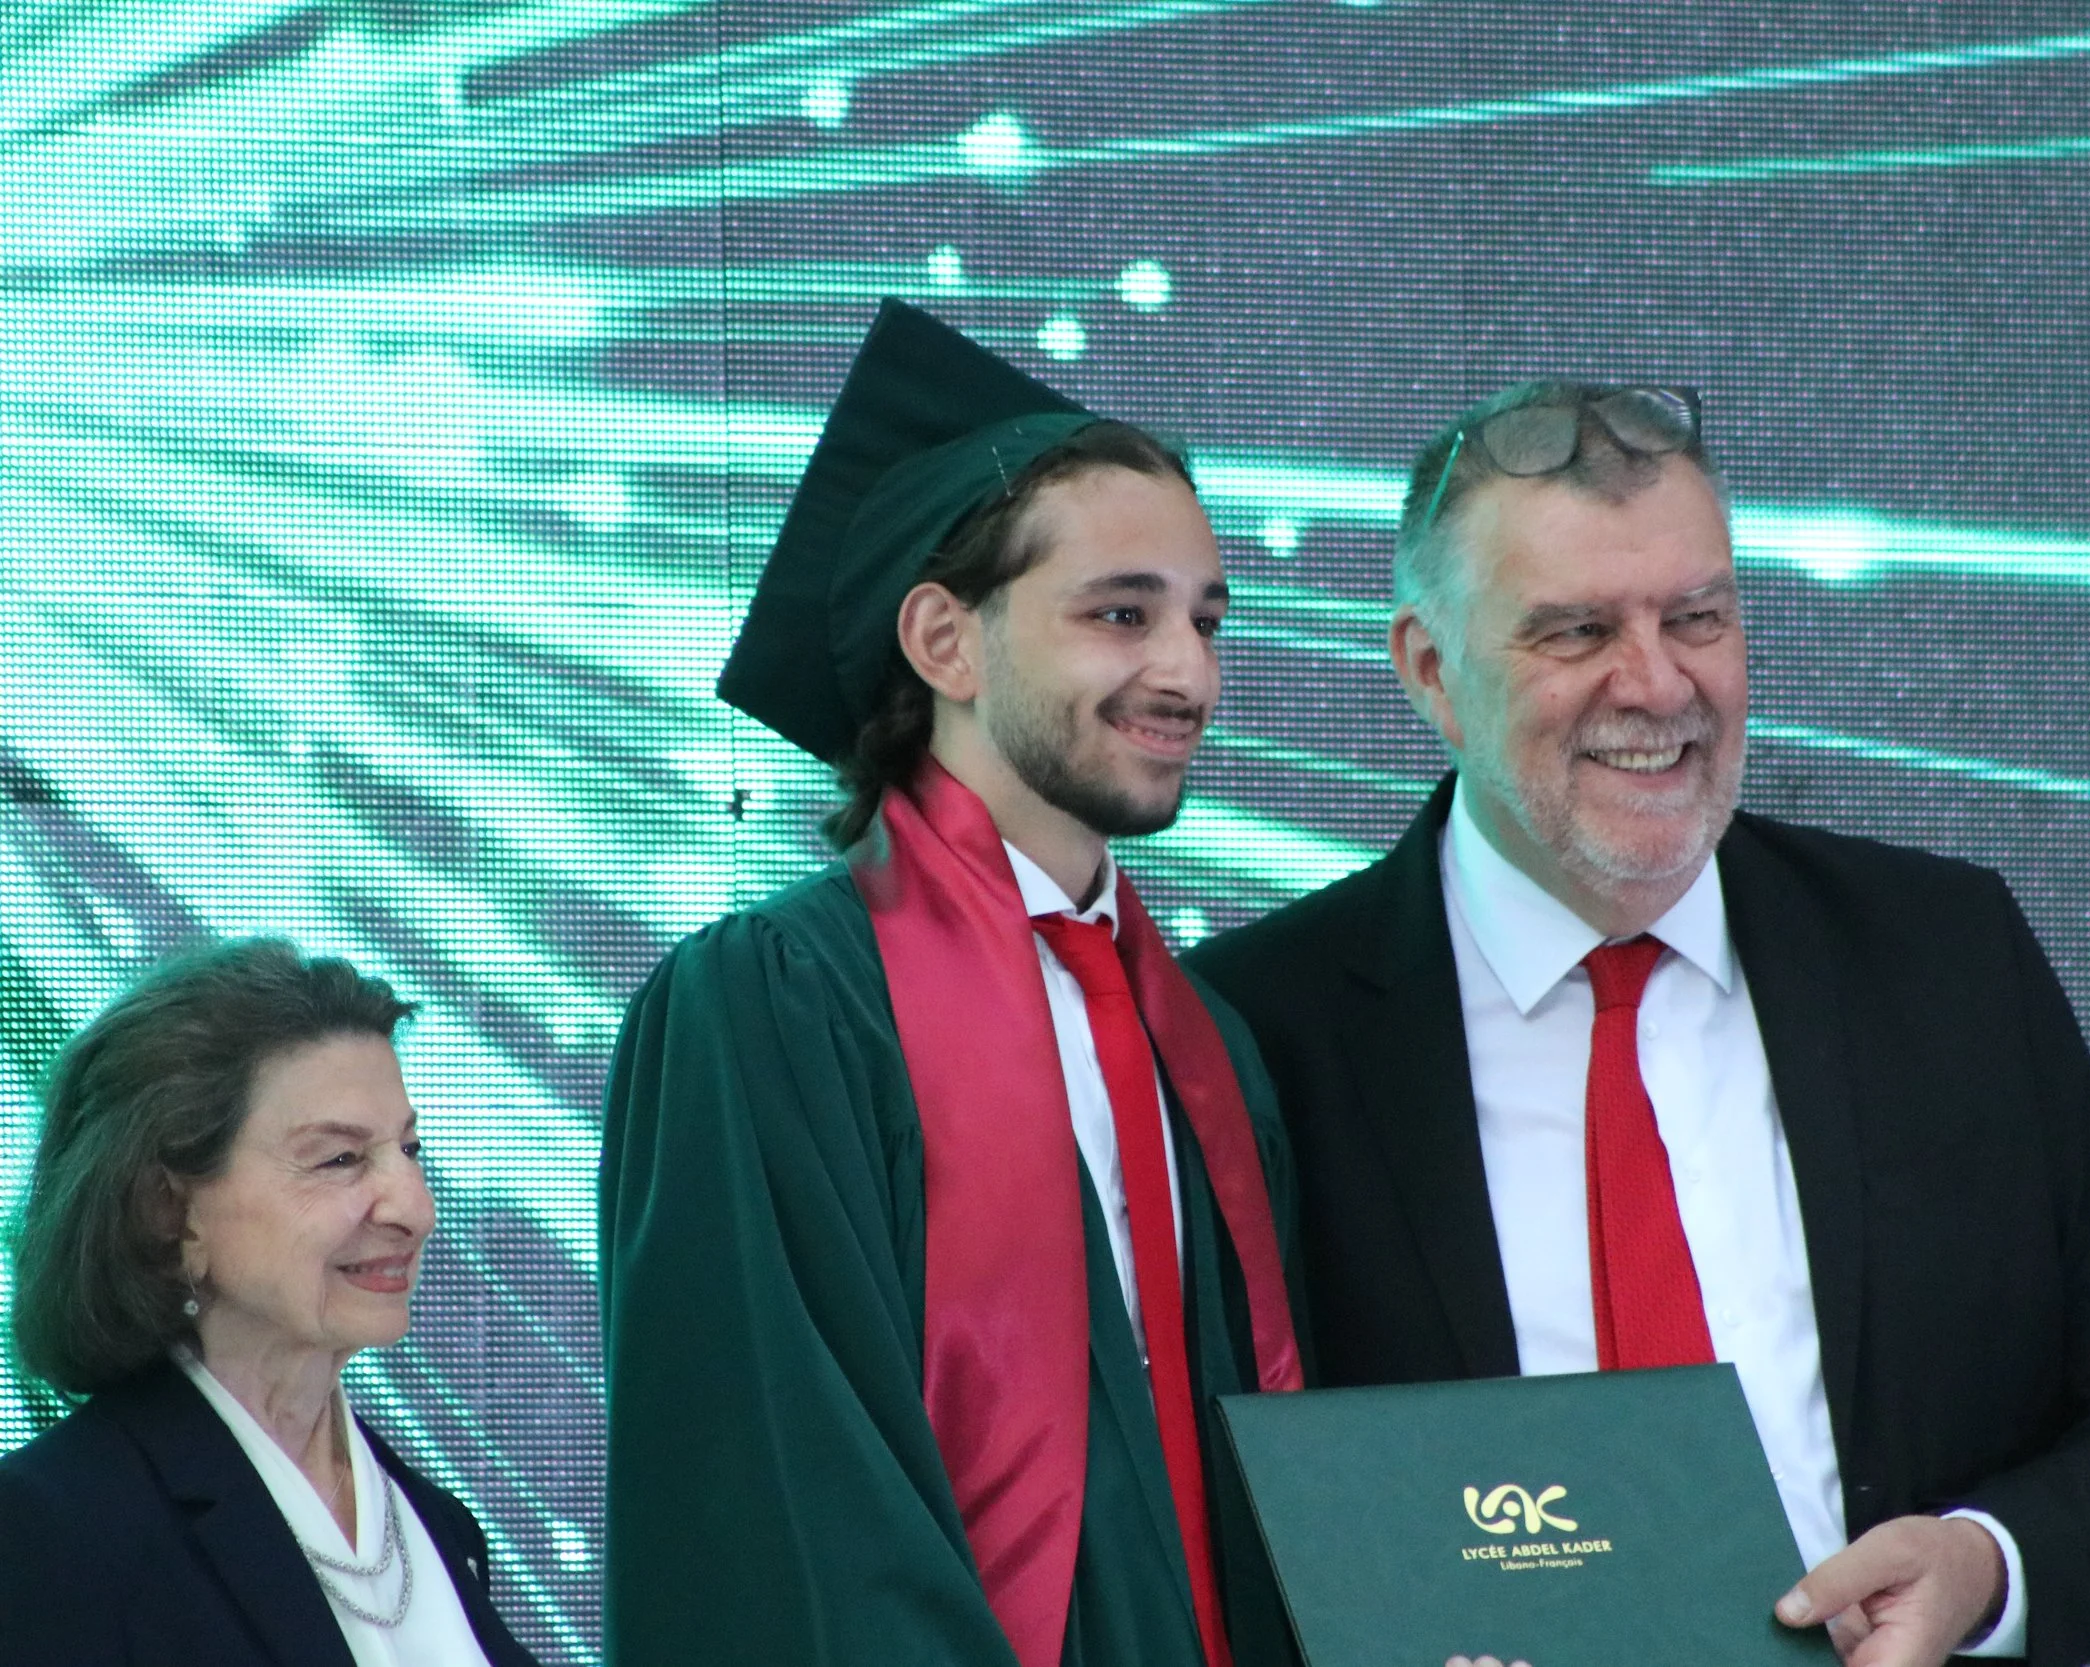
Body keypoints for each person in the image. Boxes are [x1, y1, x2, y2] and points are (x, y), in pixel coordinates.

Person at [1188, 381, 2090, 1667]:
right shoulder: (1255, 1028)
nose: (1657, 684)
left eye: (1697, 617)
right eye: (1577, 630)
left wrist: (1982, 1565)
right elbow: (1185, 1515)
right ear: (1431, 669)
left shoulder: (1938, 955)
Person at [599, 299, 1302, 1667]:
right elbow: (781, 1505)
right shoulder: (775, 1005)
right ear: (944, 641)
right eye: (1121, 612)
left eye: (1207, 620)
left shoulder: (1201, 1041)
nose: (1189, 671)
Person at [0, 937, 540, 1667]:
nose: (415, 1208)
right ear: (168, 1208)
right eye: (340, 1158)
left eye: (410, 1150)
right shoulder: (52, 1530)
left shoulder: (442, 1527)